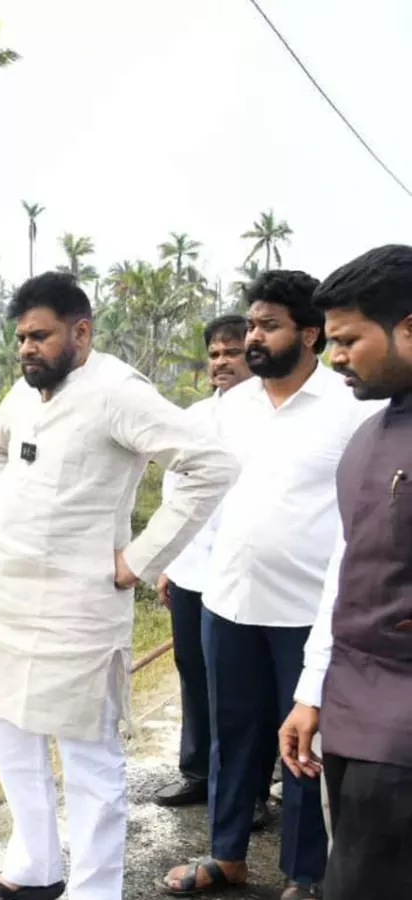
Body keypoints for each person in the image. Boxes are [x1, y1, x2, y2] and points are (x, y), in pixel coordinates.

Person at [0, 272, 238, 900]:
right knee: (8, 731)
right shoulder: (26, 389)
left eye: (40, 335)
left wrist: (139, 559)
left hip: (75, 606)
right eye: (21, 338)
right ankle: (34, 869)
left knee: (88, 755)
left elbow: (211, 464)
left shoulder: (118, 393)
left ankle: (93, 891)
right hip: (3, 593)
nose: (26, 348)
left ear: (81, 332)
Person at [159, 271, 381, 899]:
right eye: (250, 323)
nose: (252, 336)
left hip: (310, 613)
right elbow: (201, 495)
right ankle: (226, 855)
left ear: (309, 334)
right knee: (234, 733)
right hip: (228, 600)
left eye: (268, 325)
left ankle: (304, 874)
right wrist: (174, 564)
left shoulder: (351, 409)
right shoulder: (232, 409)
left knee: (304, 743)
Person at [279, 244, 412, 899]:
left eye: (349, 340)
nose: (334, 358)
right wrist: (312, 690)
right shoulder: (367, 438)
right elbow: (346, 567)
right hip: (353, 713)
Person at [153, 314, 253, 809]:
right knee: (191, 668)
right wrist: (168, 562)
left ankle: (248, 789)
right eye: (214, 354)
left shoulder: (265, 418)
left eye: (231, 352)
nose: (221, 362)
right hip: (193, 570)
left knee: (238, 683)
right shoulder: (192, 418)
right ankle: (196, 772)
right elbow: (175, 494)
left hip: (242, 572)